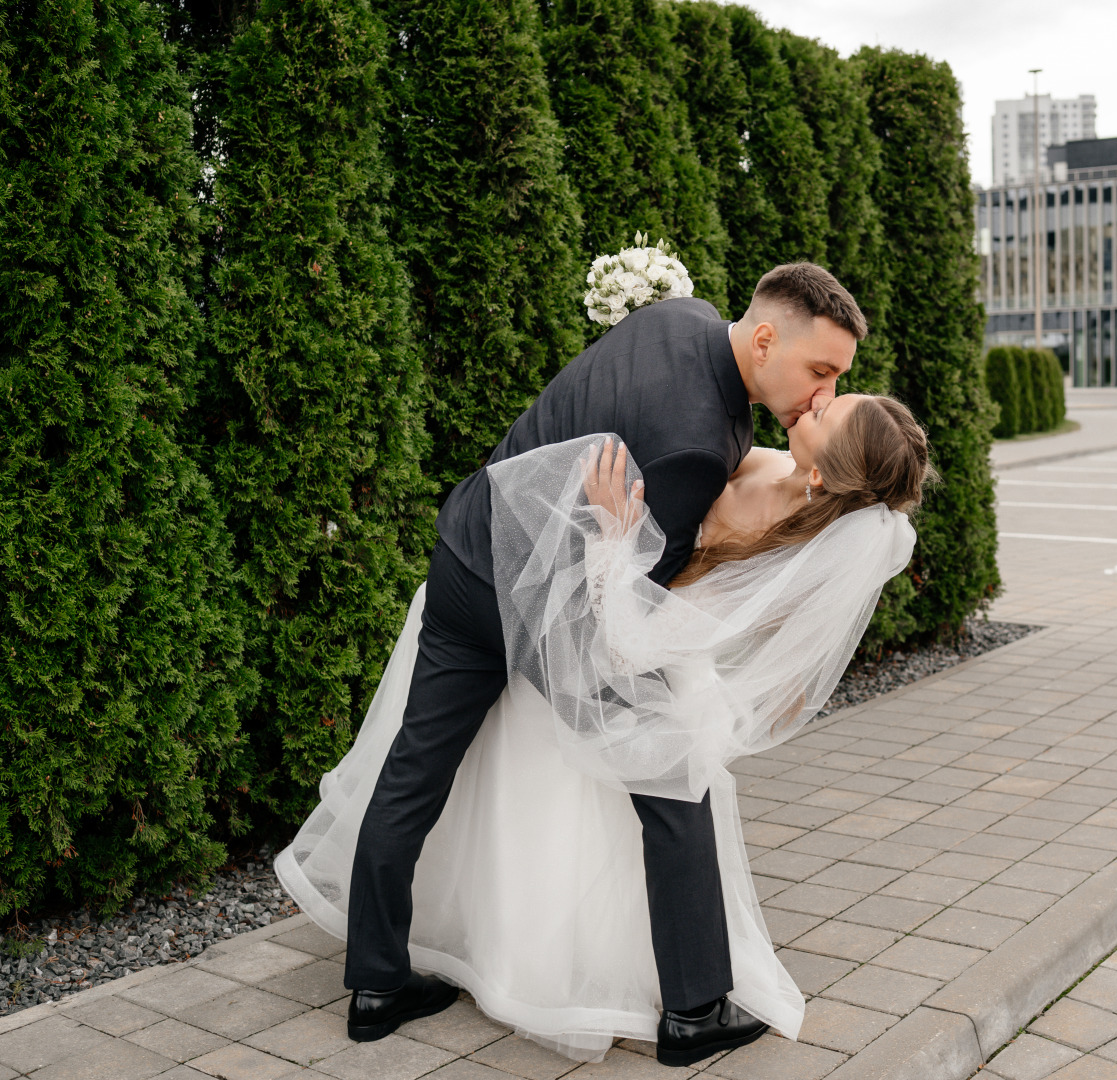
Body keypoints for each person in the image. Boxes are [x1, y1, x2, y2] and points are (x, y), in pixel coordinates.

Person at [280, 264, 870, 1064]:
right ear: (766, 339)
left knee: (414, 768)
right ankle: (694, 1010)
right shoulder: (694, 445)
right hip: (541, 607)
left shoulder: (679, 314)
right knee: (673, 779)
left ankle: (377, 984)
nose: (822, 394)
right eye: (820, 370)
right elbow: (627, 609)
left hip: (467, 555)